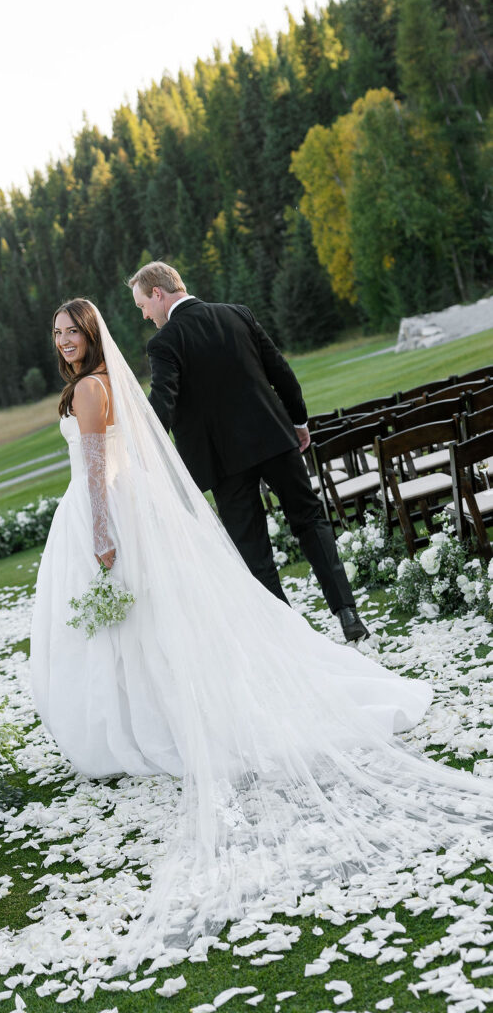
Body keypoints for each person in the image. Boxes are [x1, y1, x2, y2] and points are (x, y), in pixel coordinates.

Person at [30, 297, 493, 968]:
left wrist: (101, 532)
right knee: (150, 616)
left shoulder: (96, 388)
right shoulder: (113, 374)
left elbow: (101, 466)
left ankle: (144, 715)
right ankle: (144, 704)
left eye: (73, 330)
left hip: (101, 514)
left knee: (150, 610)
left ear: (95, 334)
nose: (63, 340)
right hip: (206, 463)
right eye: (56, 333)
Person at [128, 260, 368, 643]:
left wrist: (143, 446)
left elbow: (163, 402)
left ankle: (290, 638)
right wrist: (298, 420)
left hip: (223, 461)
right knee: (311, 521)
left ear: (158, 293)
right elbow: (280, 370)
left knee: (254, 550)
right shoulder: (237, 315)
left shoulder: (165, 342)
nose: (144, 315)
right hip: (274, 438)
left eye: (143, 305)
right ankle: (348, 613)